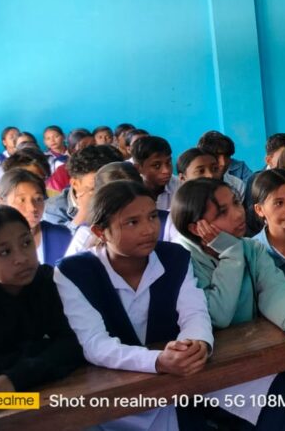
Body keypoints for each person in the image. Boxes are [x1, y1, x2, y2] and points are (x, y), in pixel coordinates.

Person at [170, 178, 285, 430]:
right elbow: (217, 315)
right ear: (196, 227)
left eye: (236, 203)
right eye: (223, 212)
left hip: (256, 356)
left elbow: (274, 289)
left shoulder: (251, 249)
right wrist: (230, 254)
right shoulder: (182, 260)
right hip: (214, 372)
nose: (237, 214)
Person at [55, 181, 214, 430]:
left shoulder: (174, 257)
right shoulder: (74, 272)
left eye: (152, 216)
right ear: (100, 232)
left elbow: (194, 312)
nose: (149, 229)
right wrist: (158, 361)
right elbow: (95, 344)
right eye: (132, 222)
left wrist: (194, 344)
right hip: (111, 398)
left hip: (171, 389)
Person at [0, 206, 83, 421]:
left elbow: (74, 344)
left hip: (30, 388)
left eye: (26, 243)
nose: (22, 258)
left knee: (73, 403)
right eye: (4, 252)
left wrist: (14, 379)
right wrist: (43, 351)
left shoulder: (46, 279)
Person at [0, 170, 72, 265]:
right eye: (22, 200)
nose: (32, 208)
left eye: (38, 199)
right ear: (2, 204)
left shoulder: (64, 236)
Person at [44, 145, 123, 231]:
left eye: (112, 186)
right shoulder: (52, 211)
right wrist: (84, 212)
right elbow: (65, 244)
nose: (106, 194)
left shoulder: (130, 195)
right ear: (75, 184)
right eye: (94, 189)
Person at [131, 136, 179, 212]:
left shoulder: (179, 186)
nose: (166, 171)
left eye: (168, 162)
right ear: (138, 168)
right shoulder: (130, 194)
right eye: (156, 165)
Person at [196, 131, 249, 196]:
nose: (223, 163)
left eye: (227, 156)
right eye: (217, 156)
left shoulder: (237, 186)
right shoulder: (189, 187)